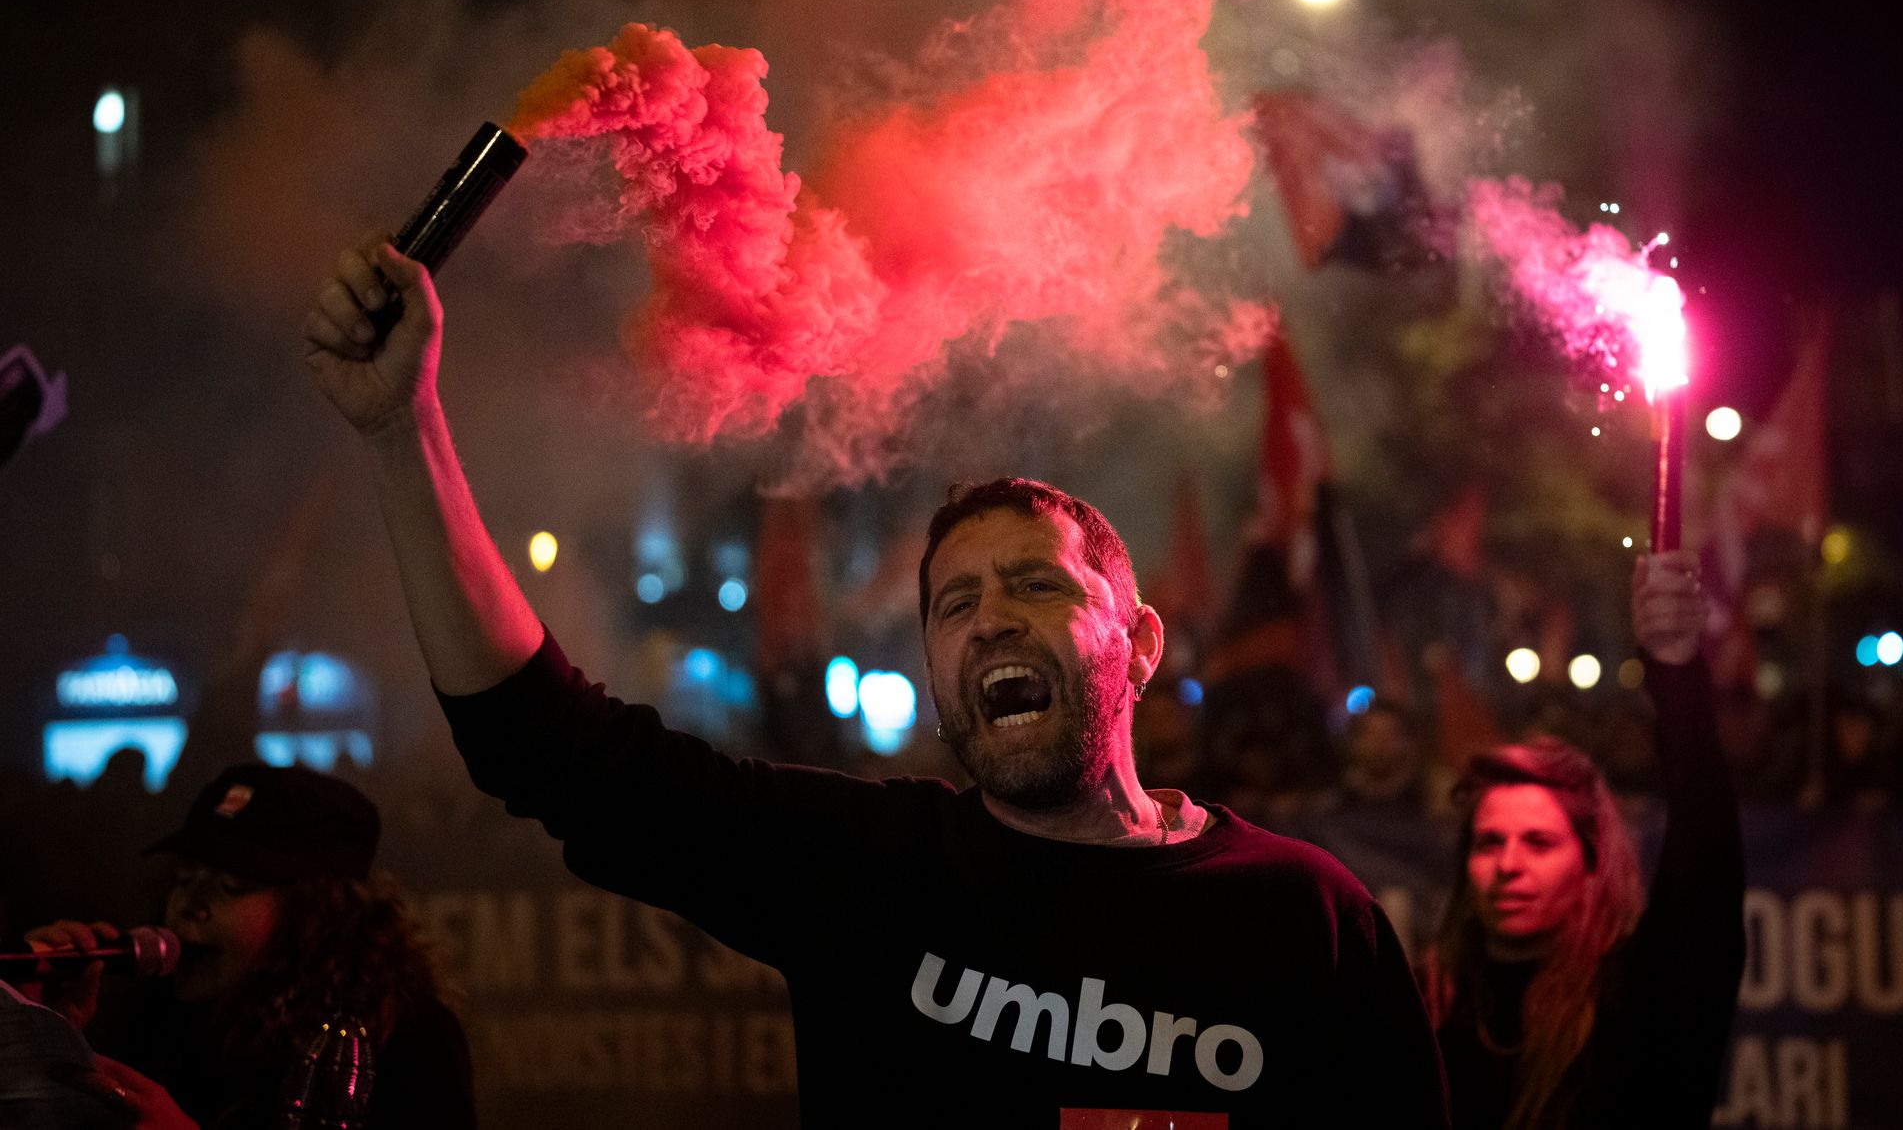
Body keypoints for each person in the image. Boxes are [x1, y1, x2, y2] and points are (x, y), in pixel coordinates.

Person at [302, 237, 1451, 1126]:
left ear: (1139, 642)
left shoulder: (1306, 916)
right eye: (954, 604)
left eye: (1034, 588)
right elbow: (542, 745)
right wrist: (403, 432)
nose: (990, 618)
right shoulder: (868, 870)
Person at [1425, 553, 1744, 1130]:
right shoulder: (1430, 1009)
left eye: (1540, 843)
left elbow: (1708, 853)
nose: (1508, 866)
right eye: (1489, 842)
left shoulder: (1649, 995)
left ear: (1592, 859)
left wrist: (1675, 673)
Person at [25, 764, 475, 1130]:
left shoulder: (404, 1039)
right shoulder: (151, 1019)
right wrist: (44, 1036)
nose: (189, 905)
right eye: (183, 878)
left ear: (318, 916)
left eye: (230, 885)